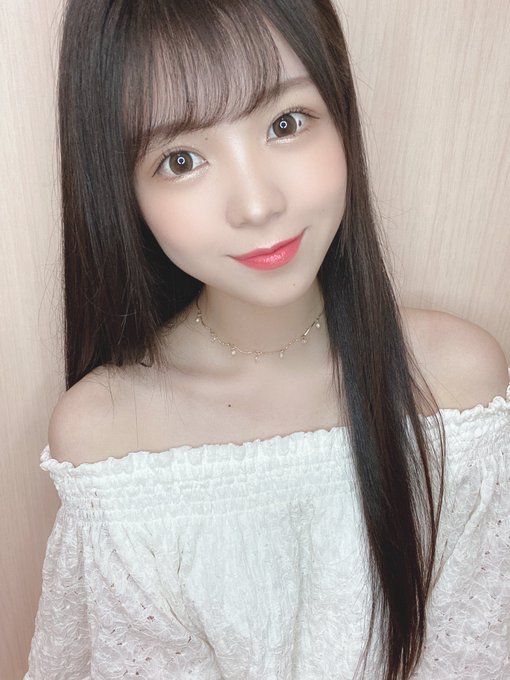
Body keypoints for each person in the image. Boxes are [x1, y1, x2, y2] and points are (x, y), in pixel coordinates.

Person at [25, 1, 509, 679]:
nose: (257, 205)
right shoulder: (110, 437)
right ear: (122, 192)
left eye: (286, 123)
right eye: (182, 159)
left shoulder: (457, 385)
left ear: (341, 112)